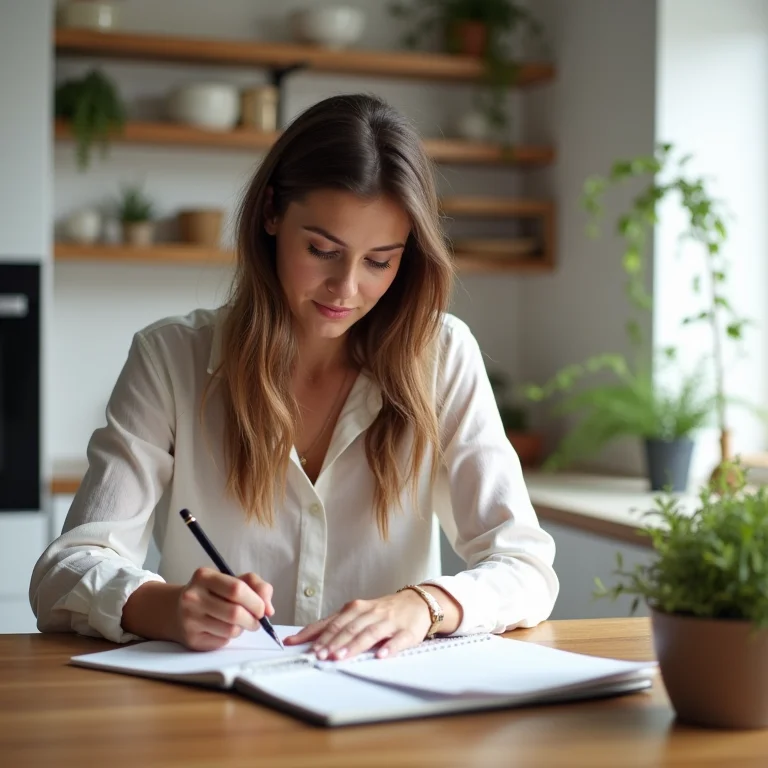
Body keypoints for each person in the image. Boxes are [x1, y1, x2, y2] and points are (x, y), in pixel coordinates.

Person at [30, 94, 558, 660]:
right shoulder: (170, 358)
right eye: (322, 250)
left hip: (382, 721)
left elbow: (525, 567)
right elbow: (64, 572)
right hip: (213, 719)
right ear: (272, 214)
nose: (346, 288)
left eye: (379, 260)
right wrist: (164, 606)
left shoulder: (442, 355)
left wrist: (422, 605)